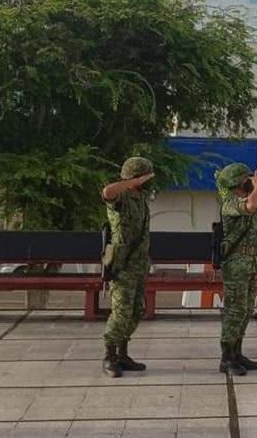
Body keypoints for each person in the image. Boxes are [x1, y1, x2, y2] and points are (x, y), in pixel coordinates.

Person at [101, 156, 154, 378]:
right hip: (122, 266)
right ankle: (109, 356)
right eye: (147, 177)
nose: (150, 180)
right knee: (121, 312)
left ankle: (123, 354)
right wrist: (131, 182)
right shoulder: (120, 197)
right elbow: (106, 192)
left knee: (135, 312)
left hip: (139, 265)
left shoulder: (141, 198)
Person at [215, 163, 257, 376]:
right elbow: (251, 206)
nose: (251, 180)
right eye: (247, 178)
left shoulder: (244, 200)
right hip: (236, 265)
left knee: (245, 311)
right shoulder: (230, 202)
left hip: (250, 263)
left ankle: (237, 352)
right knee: (234, 311)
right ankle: (226, 358)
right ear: (237, 181)